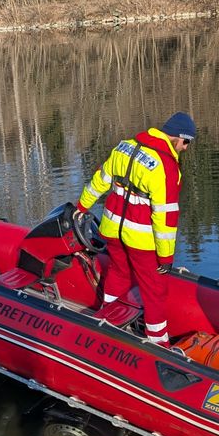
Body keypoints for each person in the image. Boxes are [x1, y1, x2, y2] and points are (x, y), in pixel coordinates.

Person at [75, 112, 195, 346]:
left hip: (112, 230)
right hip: (141, 239)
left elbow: (100, 180)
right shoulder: (165, 166)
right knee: (154, 290)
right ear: (179, 138)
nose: (186, 148)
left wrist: (82, 205)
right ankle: (159, 344)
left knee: (118, 272)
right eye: (187, 142)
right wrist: (165, 257)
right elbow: (165, 217)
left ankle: (107, 317)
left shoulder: (124, 147)